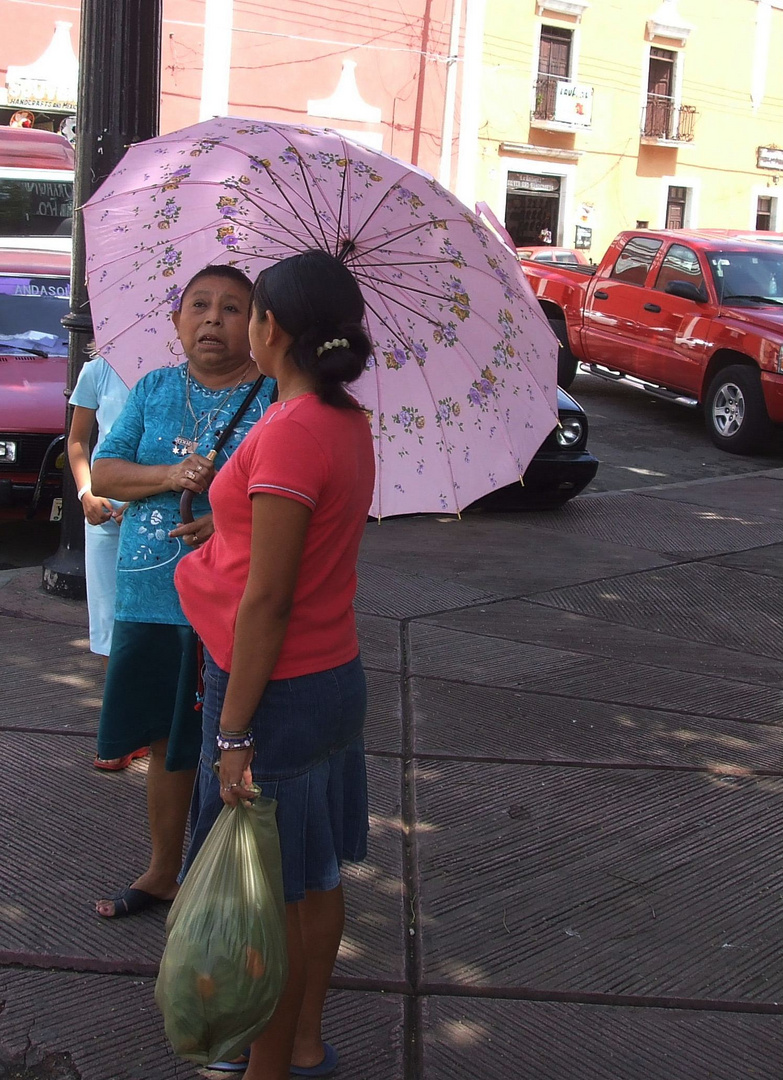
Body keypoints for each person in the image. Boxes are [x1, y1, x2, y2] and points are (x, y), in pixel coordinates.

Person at [175, 250, 375, 1080]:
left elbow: (268, 602)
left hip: (275, 689)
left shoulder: (293, 431)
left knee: (271, 893)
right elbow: (288, 551)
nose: (238, 324)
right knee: (314, 871)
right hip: (330, 676)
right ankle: (296, 1041)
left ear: (272, 329)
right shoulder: (340, 420)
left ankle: (265, 1065)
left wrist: (230, 733)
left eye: (249, 311)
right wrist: (224, 535)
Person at [90, 264, 275, 919]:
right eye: (198, 306)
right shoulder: (153, 388)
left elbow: (293, 504)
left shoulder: (276, 400)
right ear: (176, 321)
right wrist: (171, 475)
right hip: (151, 602)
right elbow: (107, 472)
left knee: (235, 748)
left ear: (257, 326)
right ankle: (163, 872)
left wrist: (230, 517)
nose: (212, 320)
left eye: (231, 309)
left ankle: (222, 883)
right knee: (167, 747)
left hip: (231, 609)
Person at [67, 351, 145, 771]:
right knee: (107, 616)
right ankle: (119, 729)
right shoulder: (97, 369)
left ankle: (148, 722)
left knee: (152, 616)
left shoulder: (175, 373)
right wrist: (85, 494)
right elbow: (78, 440)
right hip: (101, 511)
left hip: (152, 512)